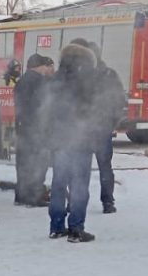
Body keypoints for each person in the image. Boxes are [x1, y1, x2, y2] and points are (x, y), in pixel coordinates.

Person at [46, 42, 103, 243]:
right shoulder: (88, 79)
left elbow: (47, 109)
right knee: (79, 184)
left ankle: (56, 226)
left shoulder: (56, 79)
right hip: (82, 140)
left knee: (59, 183)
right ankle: (76, 228)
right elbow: (96, 109)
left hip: (59, 140)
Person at [78, 39, 126, 214]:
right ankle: (108, 202)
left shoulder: (80, 75)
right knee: (105, 166)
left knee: (80, 166)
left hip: (82, 128)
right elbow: (119, 100)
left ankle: (76, 200)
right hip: (103, 126)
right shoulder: (110, 74)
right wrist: (112, 121)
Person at [13, 54, 54, 207]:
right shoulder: (40, 82)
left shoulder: (21, 81)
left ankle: (21, 195)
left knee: (23, 163)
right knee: (38, 163)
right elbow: (44, 107)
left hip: (22, 128)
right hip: (37, 129)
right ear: (40, 66)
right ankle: (34, 196)